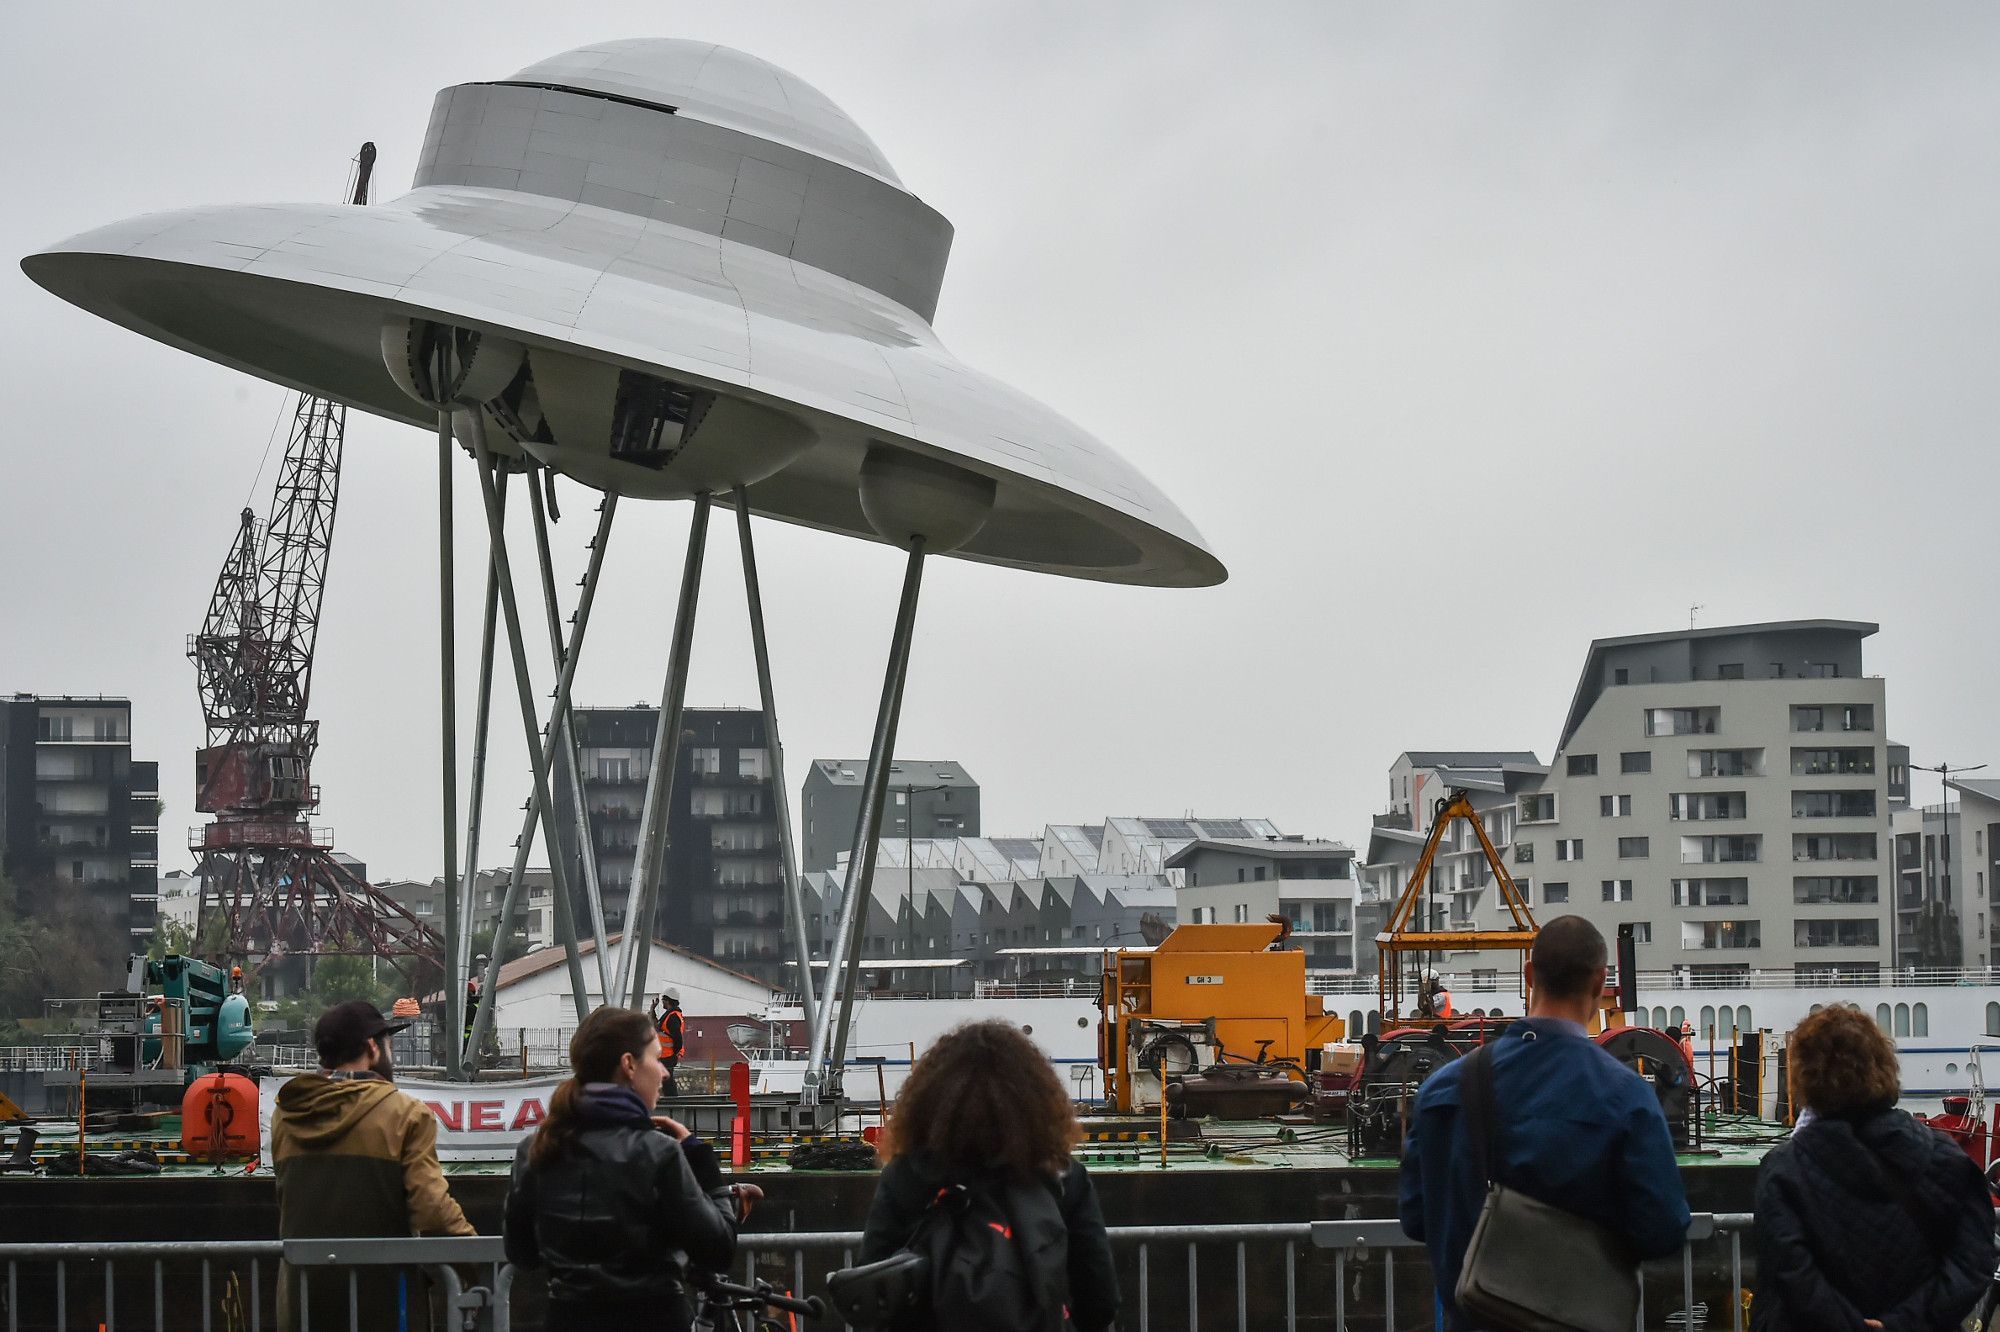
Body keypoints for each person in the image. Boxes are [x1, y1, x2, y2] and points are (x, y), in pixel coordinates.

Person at [1399, 916, 1690, 1332]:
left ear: (1529, 975)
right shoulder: (1627, 1098)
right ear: (1599, 983)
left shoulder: (1446, 1089)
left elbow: (1415, 1217)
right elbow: (1662, 1230)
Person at [859, 1020, 1118, 1332]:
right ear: (1035, 1101)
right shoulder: (1061, 1177)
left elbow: (872, 1292)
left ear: (928, 1103)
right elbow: (1100, 1299)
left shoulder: (908, 1176)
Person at [504, 1006, 750, 1330]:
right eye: (657, 1058)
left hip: (567, 1319)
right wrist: (704, 1165)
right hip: (654, 1319)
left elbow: (522, 1254)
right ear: (629, 1065)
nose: (665, 1073)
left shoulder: (535, 1149)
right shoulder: (657, 1152)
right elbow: (717, 1250)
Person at [1751, 1006, 1995, 1331]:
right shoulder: (1946, 1159)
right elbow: (1974, 1259)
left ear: (1806, 1078)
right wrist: (1902, 1323)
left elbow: (1791, 1270)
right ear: (1884, 1065)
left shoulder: (1782, 1170)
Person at [271, 999, 473, 1332]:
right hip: (384, 1306)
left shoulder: (286, 1114)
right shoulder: (405, 1114)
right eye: (388, 1044)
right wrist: (479, 1265)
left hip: (301, 1303)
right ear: (371, 1048)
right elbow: (433, 1211)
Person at [652, 989, 685, 1098]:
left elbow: (678, 1039)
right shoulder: (669, 1014)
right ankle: (671, 1102)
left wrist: (673, 1053)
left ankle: (672, 1103)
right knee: (665, 1080)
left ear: (668, 1000)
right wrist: (652, 1009)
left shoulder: (673, 1017)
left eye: (663, 1000)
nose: (662, 1002)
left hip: (668, 1056)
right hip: (664, 1055)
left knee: (667, 1081)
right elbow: (657, 1026)